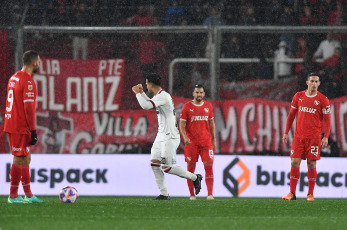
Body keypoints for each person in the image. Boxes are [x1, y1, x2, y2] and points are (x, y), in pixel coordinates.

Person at [132, 73, 203, 200]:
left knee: (167, 167)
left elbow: (145, 106)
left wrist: (137, 93)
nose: (146, 85)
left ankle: (195, 177)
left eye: (146, 83)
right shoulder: (159, 96)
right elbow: (148, 102)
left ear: (151, 84)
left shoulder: (163, 96)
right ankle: (164, 194)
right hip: (161, 136)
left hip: (170, 136)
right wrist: (142, 94)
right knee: (154, 164)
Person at [282, 73, 331, 201]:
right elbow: (291, 115)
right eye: (312, 81)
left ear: (319, 83)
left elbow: (328, 120)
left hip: (314, 137)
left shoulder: (323, 99)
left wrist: (325, 136)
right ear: (307, 82)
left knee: (311, 163)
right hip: (299, 136)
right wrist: (286, 132)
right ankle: (292, 193)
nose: (314, 84)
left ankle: (310, 194)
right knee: (294, 161)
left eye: (316, 82)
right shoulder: (298, 96)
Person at [4, 50, 44, 203]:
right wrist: (33, 129)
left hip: (13, 122)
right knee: (19, 158)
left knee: (26, 158)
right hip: (19, 125)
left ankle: (28, 194)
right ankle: (13, 195)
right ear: (34, 63)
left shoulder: (14, 77)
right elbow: (28, 108)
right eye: (39, 62)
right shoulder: (27, 81)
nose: (39, 64)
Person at [179, 85, 216, 200]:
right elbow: (182, 124)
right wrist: (184, 136)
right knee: (190, 169)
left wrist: (214, 139)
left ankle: (210, 195)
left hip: (206, 142)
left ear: (204, 94)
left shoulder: (208, 106)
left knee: (209, 167)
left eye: (201, 92)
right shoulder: (187, 107)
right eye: (197, 92)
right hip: (192, 143)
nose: (199, 94)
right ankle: (192, 195)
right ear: (193, 94)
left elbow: (211, 124)